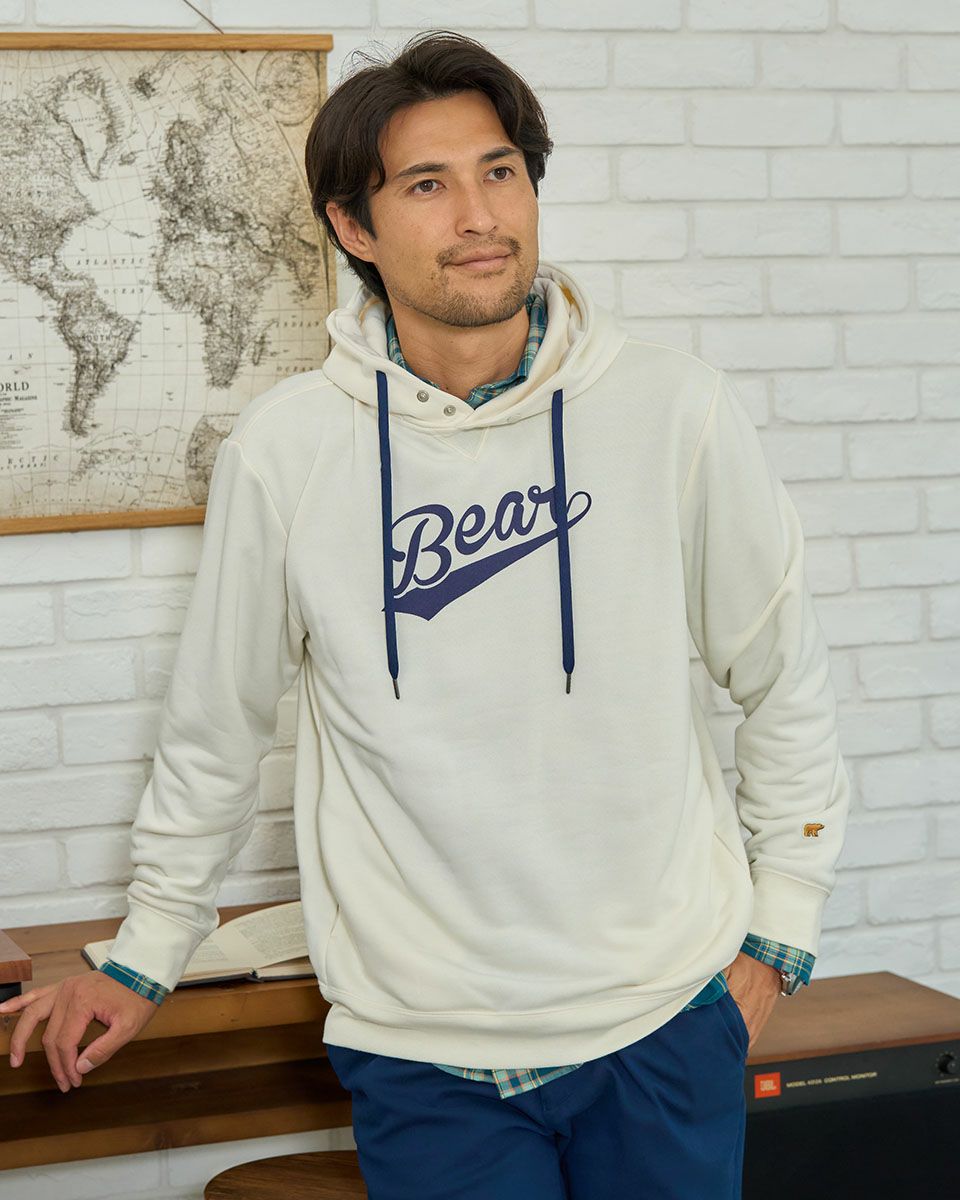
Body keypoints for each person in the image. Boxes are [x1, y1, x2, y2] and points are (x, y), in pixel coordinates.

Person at [0, 29, 850, 1200]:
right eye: (427, 185)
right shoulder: (288, 452)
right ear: (354, 227)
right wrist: (145, 953)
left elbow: (783, 676)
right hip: (420, 1048)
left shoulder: (676, 413)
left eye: (500, 172)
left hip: (663, 1020)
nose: (480, 215)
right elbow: (215, 728)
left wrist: (778, 935)